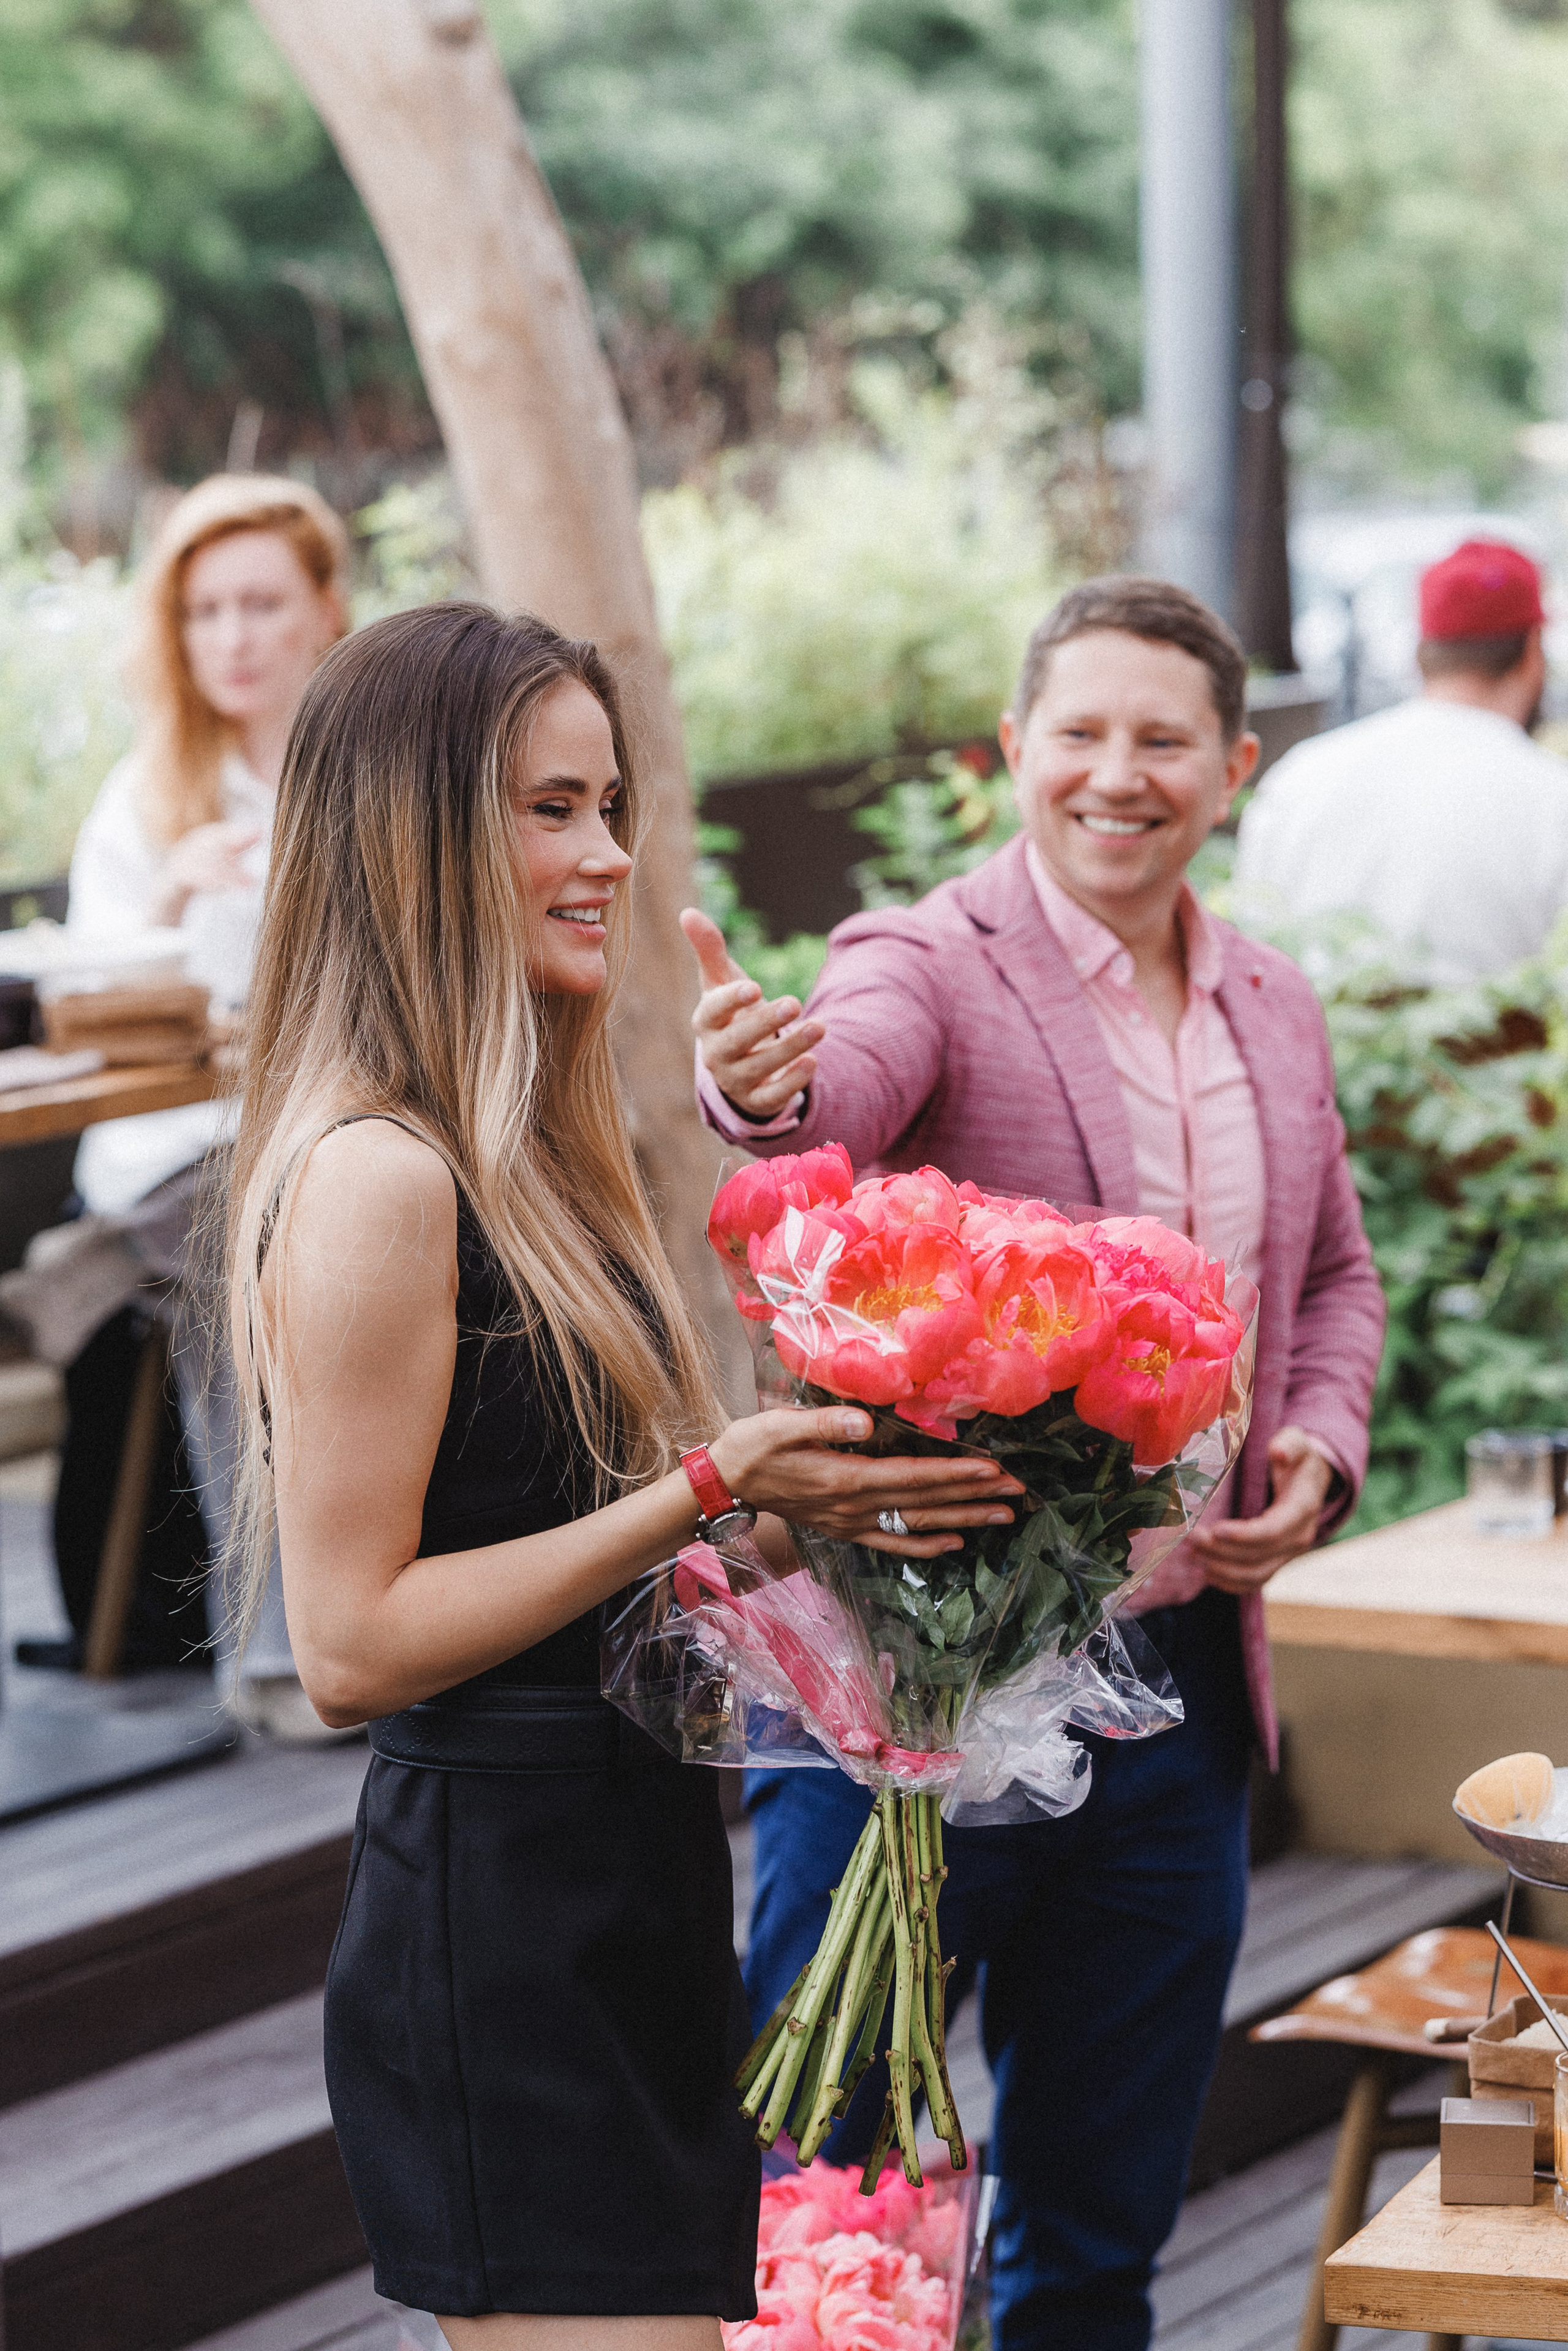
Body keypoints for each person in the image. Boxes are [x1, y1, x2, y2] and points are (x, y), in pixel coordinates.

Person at [224, 602, 1022, 2347]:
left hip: (629, 1888)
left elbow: (563, 1546)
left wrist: (812, 1519)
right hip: (504, 1939)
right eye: (548, 809)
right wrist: (708, 1485)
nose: (606, 854)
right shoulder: (379, 1178)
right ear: (413, 834)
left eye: (609, 803)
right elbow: (351, 1644)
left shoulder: (526, 1153)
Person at [684, 575, 1385, 2351]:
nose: (1116, 773)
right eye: (1079, 731)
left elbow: (1330, 1279)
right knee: (837, 2215)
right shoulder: (931, 958)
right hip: (919, 1688)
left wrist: (1312, 1441)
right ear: (1016, 750)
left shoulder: (1271, 1004)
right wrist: (769, 1091)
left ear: (1229, 768)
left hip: (1177, 1707)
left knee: (1096, 2224)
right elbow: (832, 1090)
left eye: (1163, 739)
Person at [9, 475, 349, 1721]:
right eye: (204, 611)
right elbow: (79, 1006)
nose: (234, 637)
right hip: (178, 1150)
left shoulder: (366, 773)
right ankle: (278, 1656)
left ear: (324, 607)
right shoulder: (142, 801)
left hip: (337, 1134)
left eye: (260, 602)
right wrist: (163, 909)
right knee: (236, 1265)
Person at [1235, 537, 1568, 982]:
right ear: (1533, 651)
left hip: (1315, 1044)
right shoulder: (1552, 797)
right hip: (1488, 1048)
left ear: (1421, 653)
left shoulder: (1302, 774)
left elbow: (1250, 953)